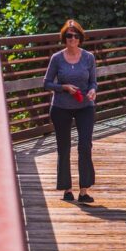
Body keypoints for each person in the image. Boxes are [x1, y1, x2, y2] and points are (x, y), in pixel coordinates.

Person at [43, 19, 98, 203]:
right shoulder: (57, 58)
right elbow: (46, 83)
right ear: (64, 38)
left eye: (75, 36)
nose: (72, 39)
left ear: (80, 38)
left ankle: (84, 190)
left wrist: (92, 91)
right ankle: (67, 189)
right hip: (61, 107)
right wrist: (64, 87)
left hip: (85, 107)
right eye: (68, 36)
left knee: (85, 146)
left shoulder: (89, 57)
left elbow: (93, 82)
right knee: (64, 147)